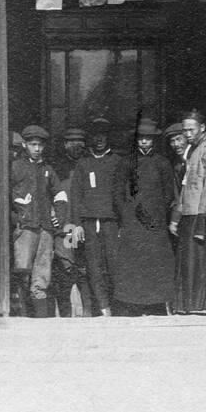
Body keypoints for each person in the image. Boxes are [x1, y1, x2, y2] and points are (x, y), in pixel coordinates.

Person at [115, 118, 176, 316]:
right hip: (132, 223)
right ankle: (132, 306)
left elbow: (168, 194)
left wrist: (158, 213)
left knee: (155, 263)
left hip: (154, 224)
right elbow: (117, 193)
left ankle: (155, 305)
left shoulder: (162, 163)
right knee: (133, 264)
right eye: (140, 138)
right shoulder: (126, 162)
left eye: (148, 139)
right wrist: (126, 213)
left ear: (154, 140)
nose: (143, 142)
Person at [68, 117, 128, 317]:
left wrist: (123, 223)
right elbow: (76, 194)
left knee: (115, 265)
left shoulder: (117, 161)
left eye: (104, 135)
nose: (100, 139)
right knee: (94, 266)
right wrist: (77, 224)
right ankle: (104, 308)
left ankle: (118, 306)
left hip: (111, 222)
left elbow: (124, 194)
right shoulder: (83, 163)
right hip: (89, 222)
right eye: (96, 135)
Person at [170, 111, 206, 315]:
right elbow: (185, 187)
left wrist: (202, 216)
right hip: (188, 214)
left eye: (192, 129)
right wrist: (175, 218)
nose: (188, 134)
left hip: (201, 213)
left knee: (201, 262)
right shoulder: (192, 151)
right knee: (188, 262)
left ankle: (203, 304)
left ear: (202, 128)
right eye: (185, 130)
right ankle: (188, 305)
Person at [10, 125, 60, 317]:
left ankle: (40, 318)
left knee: (42, 274)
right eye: (33, 145)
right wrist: (17, 218)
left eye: (40, 145)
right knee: (22, 270)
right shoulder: (16, 168)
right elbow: (5, 197)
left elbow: (60, 195)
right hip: (25, 228)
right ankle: (22, 314)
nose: (37, 149)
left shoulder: (48, 170)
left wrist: (59, 218)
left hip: (45, 229)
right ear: (25, 145)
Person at [50, 127, 94, 318]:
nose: (77, 146)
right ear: (65, 145)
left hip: (85, 225)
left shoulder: (89, 165)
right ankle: (66, 314)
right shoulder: (56, 168)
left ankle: (88, 313)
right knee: (66, 268)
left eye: (80, 142)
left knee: (86, 270)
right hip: (66, 226)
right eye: (72, 142)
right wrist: (51, 212)